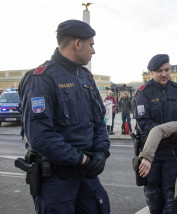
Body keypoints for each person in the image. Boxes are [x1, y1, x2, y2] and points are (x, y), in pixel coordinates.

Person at [17, 19, 110, 213]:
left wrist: (102, 153)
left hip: (86, 174)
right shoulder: (41, 78)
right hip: (57, 181)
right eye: (91, 45)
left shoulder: (85, 77)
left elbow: (99, 121)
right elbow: (40, 137)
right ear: (77, 43)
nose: (94, 51)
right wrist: (83, 159)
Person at [134, 54, 177, 214]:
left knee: (173, 196)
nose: (164, 74)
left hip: (174, 152)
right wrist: (169, 133)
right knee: (154, 196)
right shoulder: (143, 93)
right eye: (159, 71)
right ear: (151, 72)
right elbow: (143, 123)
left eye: (167, 70)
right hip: (152, 153)